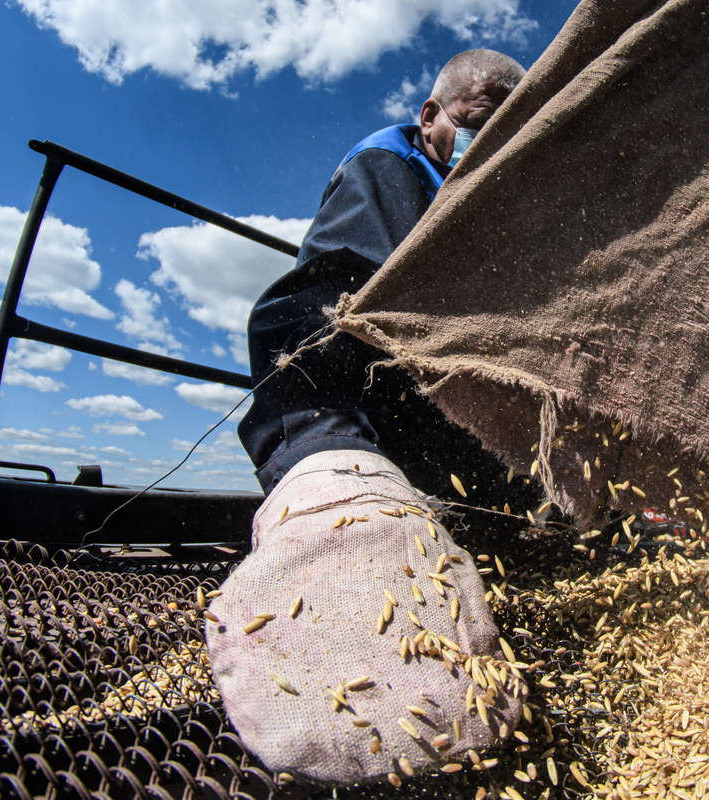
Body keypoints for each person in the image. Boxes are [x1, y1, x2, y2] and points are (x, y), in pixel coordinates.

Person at [208, 50, 534, 788]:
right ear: (431, 118)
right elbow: (330, 302)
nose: (486, 147)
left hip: (445, 416)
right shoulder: (393, 170)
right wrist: (326, 450)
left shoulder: (480, 204)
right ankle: (332, 487)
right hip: (365, 408)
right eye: (477, 127)